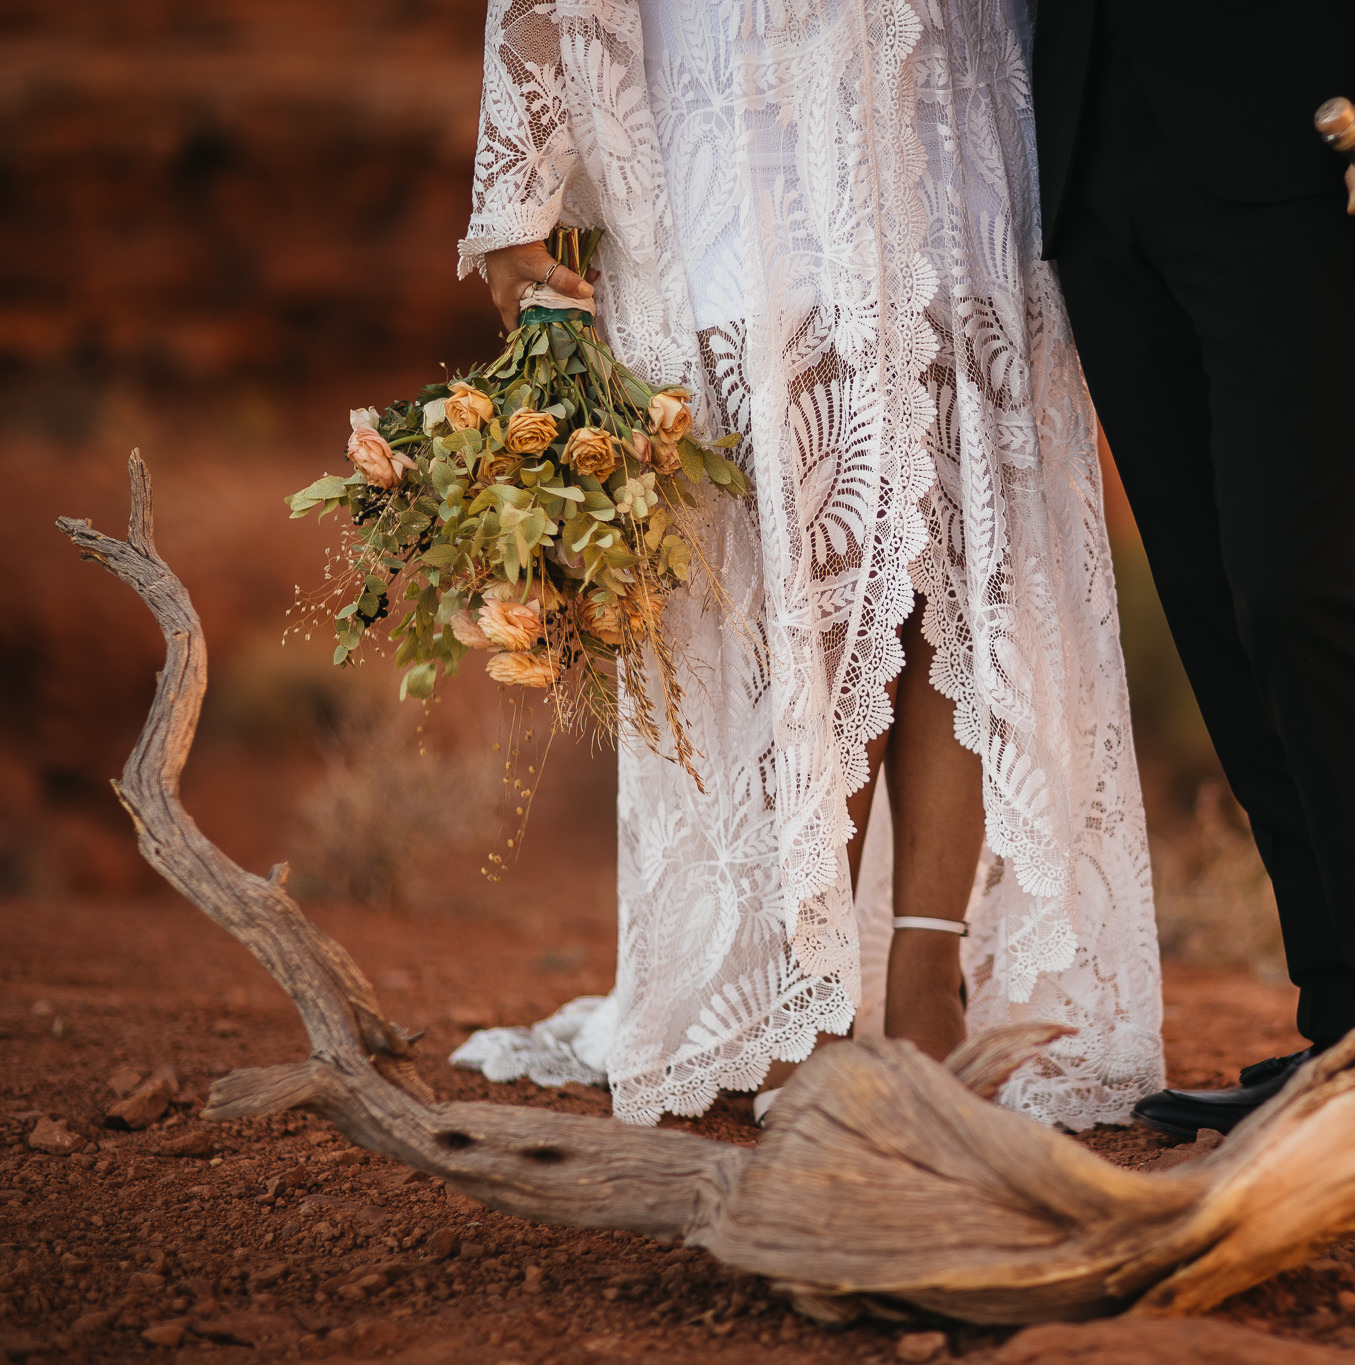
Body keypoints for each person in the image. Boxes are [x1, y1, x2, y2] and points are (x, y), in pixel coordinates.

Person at [447, 0, 1165, 1131]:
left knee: (955, 546)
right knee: (788, 551)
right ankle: (807, 994)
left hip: (949, 88)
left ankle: (927, 988)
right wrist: (520, 183)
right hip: (739, 109)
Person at [1033, 0, 1355, 1213]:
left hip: (1310, 138)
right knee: (1213, 603)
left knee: (1303, 588)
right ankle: (1348, 1030)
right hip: (1090, 146)